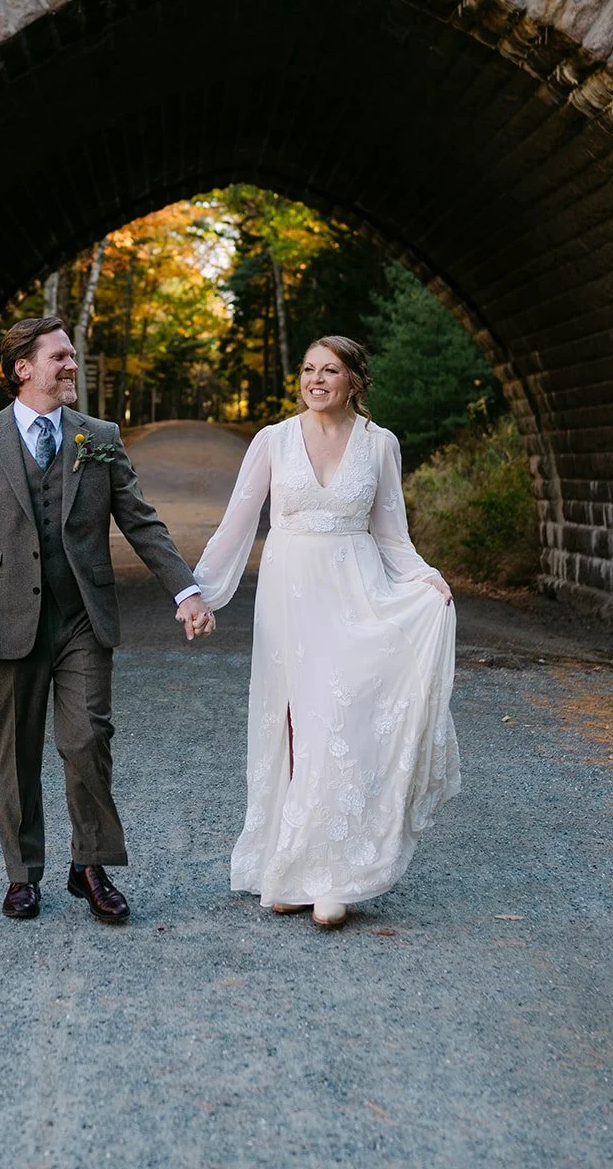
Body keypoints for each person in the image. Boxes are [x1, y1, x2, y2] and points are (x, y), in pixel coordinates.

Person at [0, 315, 215, 925]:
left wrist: (185, 591)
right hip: (9, 615)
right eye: (59, 357)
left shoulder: (99, 436)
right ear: (23, 369)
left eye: (73, 357)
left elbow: (140, 520)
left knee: (87, 738)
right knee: (17, 750)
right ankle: (22, 873)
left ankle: (91, 867)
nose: (71, 367)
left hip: (82, 615)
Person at [194, 335, 460, 929]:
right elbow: (237, 524)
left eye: (330, 370)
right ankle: (285, 869)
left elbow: (392, 532)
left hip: (357, 590)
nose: (316, 380)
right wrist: (200, 595)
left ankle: (335, 874)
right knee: (295, 725)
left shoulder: (379, 444)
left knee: (341, 722)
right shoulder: (272, 440)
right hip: (290, 596)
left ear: (353, 380)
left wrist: (425, 579)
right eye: (309, 370)